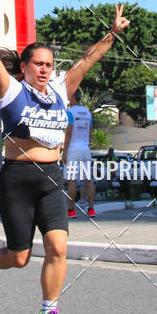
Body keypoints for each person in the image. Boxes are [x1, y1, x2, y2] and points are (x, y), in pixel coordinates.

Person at [0, 0, 130, 314]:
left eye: (49, 65)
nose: (44, 70)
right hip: (17, 179)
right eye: (38, 64)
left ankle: (48, 312)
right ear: (23, 66)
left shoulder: (60, 90)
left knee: (58, 247)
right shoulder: (10, 90)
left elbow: (87, 60)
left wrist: (111, 33)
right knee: (20, 257)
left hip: (51, 177)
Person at [64, 89, 94, 218]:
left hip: (73, 149)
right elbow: (90, 132)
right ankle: (91, 209)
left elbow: (68, 133)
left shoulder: (70, 112)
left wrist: (64, 151)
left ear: (72, 97)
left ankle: (71, 210)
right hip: (85, 149)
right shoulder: (88, 113)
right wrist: (86, 145)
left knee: (72, 181)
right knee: (88, 180)